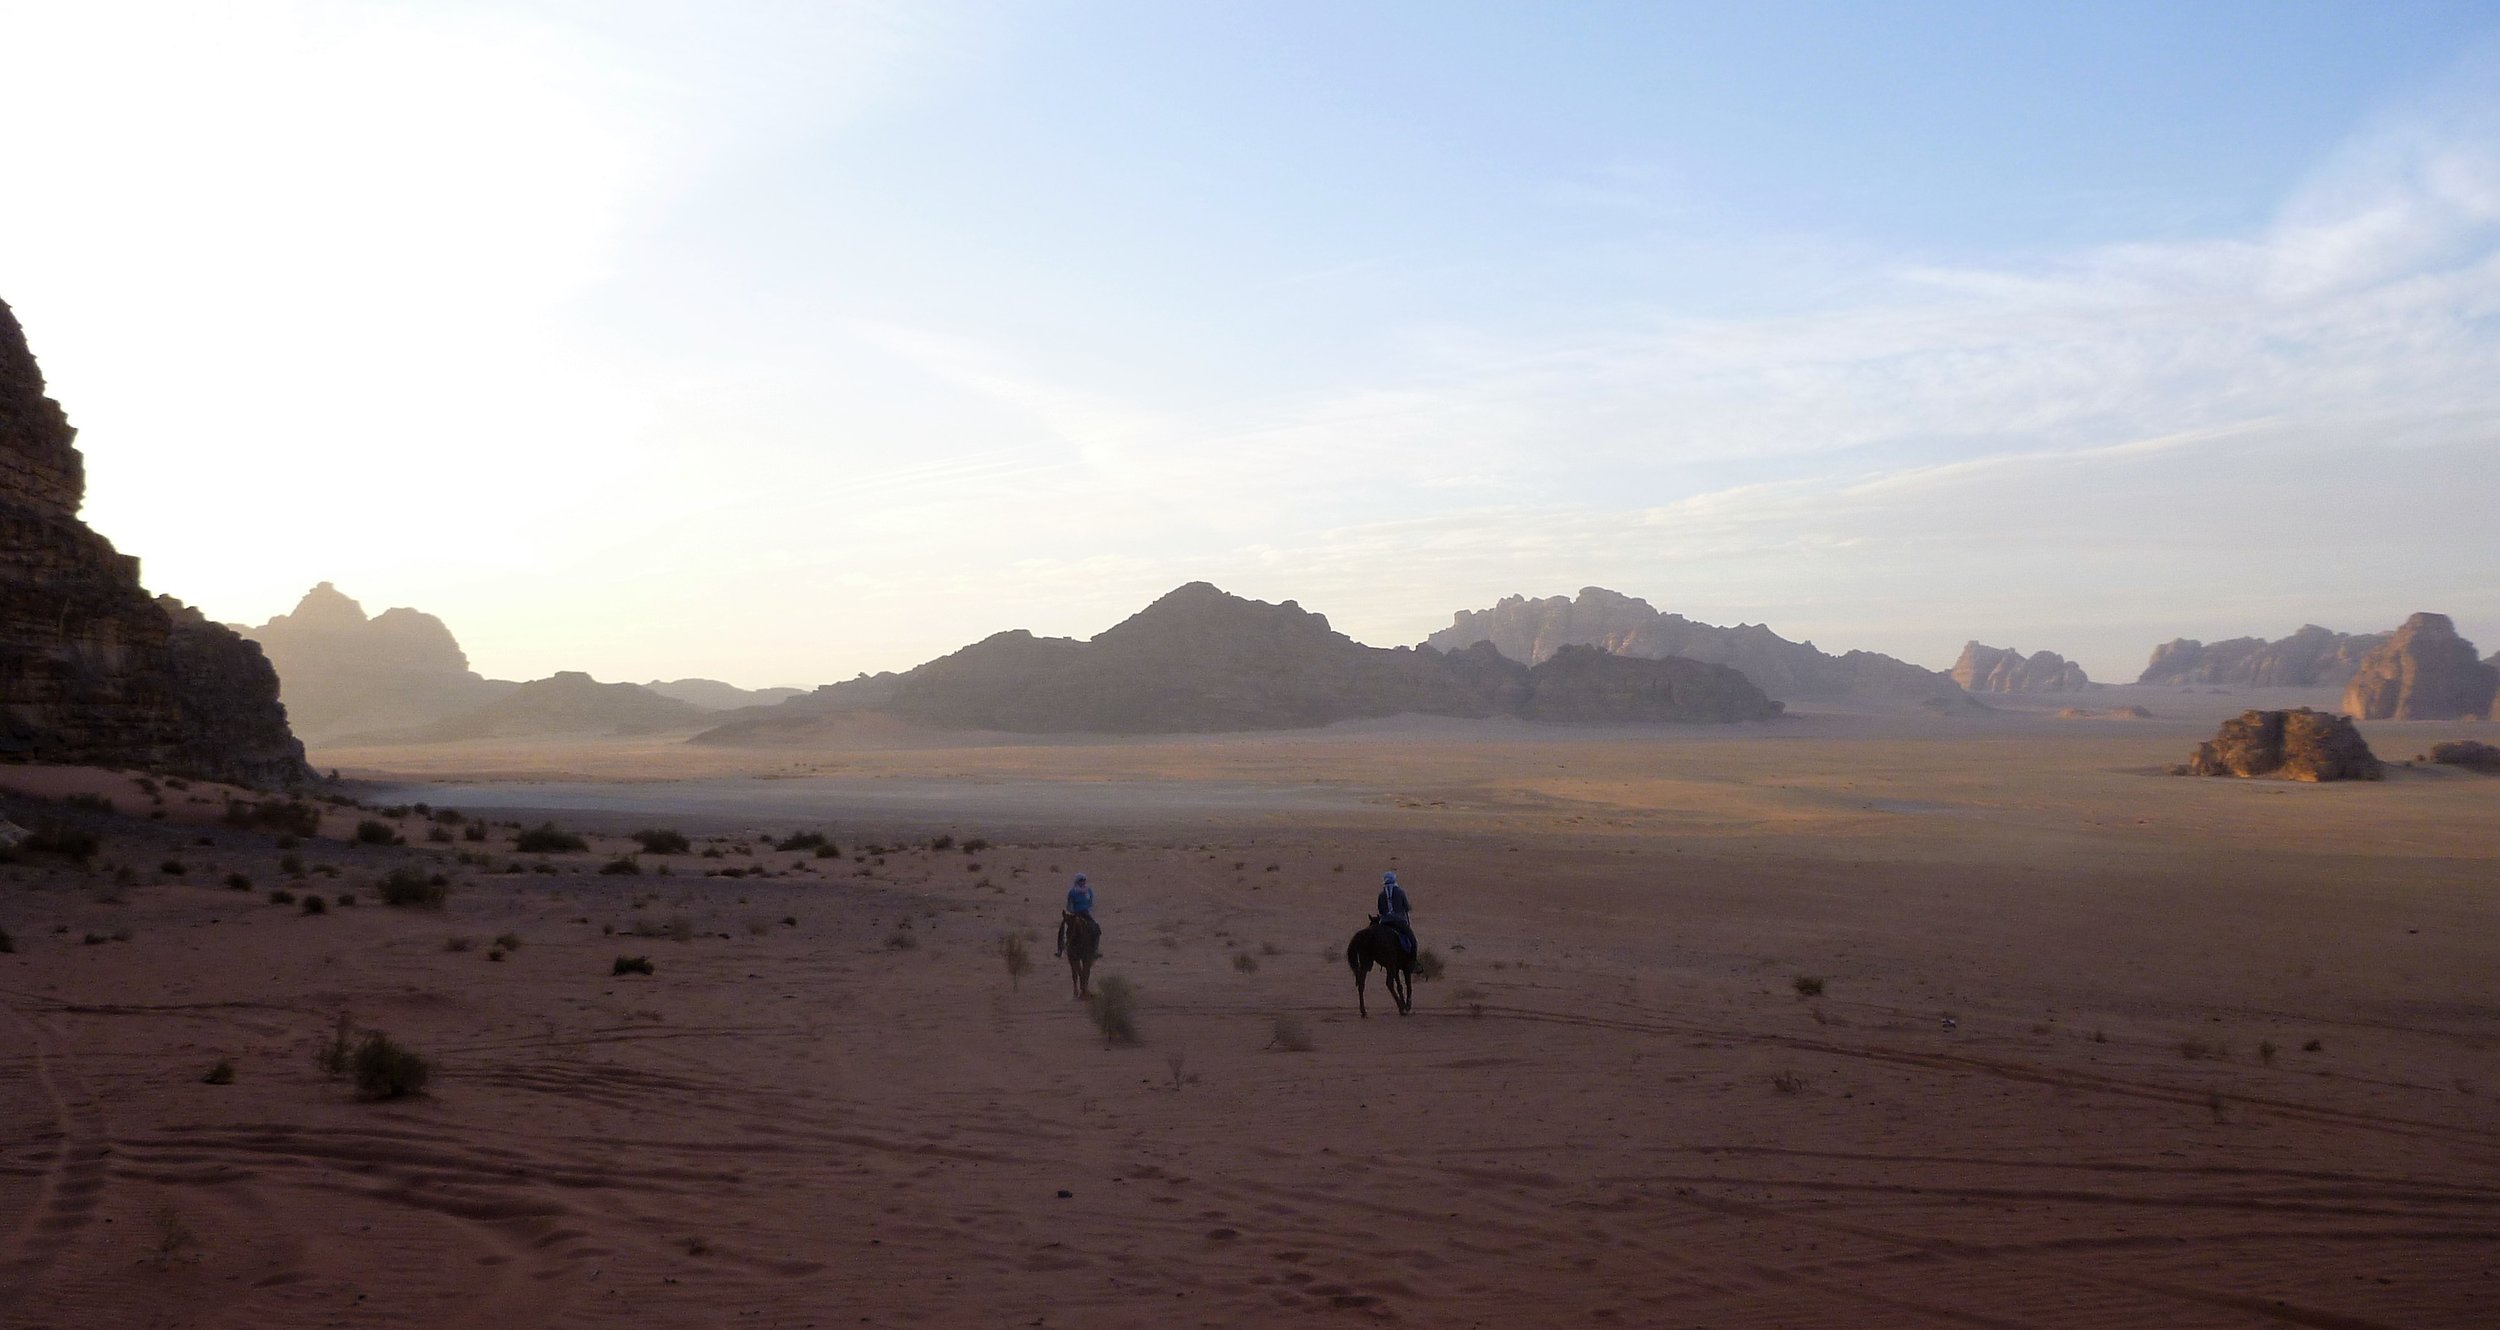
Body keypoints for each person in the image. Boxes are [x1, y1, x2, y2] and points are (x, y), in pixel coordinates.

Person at [1376, 870, 1414, 961]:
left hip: (1385, 922)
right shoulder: (1400, 892)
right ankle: (1413, 961)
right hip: (1399, 921)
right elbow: (1407, 907)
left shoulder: (1381, 895)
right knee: (1412, 940)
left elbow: (1380, 910)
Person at [1055, 873, 1094, 957]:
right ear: (1077, 881)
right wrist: (1072, 911)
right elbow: (1069, 904)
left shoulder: (1088, 891)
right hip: (1075, 913)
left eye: (1084, 880)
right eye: (1081, 880)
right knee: (1063, 927)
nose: (1083, 882)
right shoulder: (1072, 892)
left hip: (1086, 913)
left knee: (1095, 927)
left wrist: (1089, 910)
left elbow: (1091, 902)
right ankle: (1060, 949)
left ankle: (1095, 949)